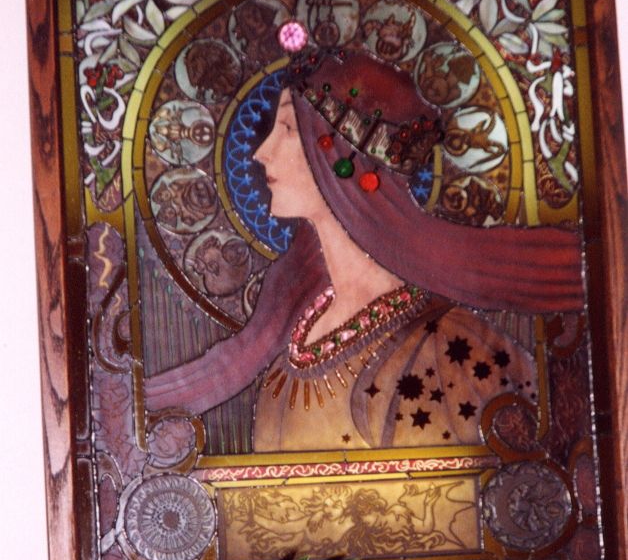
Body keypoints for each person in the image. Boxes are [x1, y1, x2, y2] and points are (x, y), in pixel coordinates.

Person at [145, 45, 584, 452]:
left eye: (287, 129)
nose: (261, 153)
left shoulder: (450, 350)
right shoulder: (291, 351)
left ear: (339, 158)